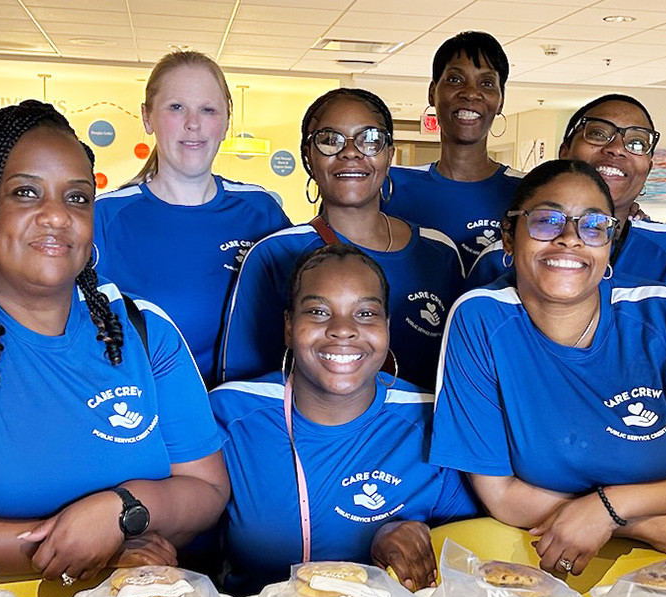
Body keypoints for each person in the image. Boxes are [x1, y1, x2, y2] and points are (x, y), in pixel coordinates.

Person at [0, 101, 230, 582]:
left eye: (77, 198)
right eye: (26, 193)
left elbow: (207, 489)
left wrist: (122, 511)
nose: (56, 216)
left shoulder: (142, 329)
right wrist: (88, 549)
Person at [431, 160, 666, 574]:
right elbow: (501, 494)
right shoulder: (479, 320)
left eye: (593, 226)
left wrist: (610, 509)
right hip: (591, 543)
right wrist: (636, 524)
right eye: (546, 221)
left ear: (609, 245)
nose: (569, 239)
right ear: (509, 237)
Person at [211, 244, 478, 595]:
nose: (342, 329)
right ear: (289, 326)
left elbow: (470, 556)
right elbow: (186, 548)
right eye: (318, 312)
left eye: (365, 313)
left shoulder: (435, 420)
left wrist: (413, 536)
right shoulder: (230, 416)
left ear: (387, 326)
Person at [220, 88, 462, 389]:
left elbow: (461, 373)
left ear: (389, 155)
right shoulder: (274, 253)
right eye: (329, 140)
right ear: (308, 156)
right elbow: (245, 384)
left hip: (423, 420)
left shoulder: (439, 252)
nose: (350, 152)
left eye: (369, 139)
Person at [94, 50, 291, 387]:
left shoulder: (262, 213)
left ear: (226, 121)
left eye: (208, 109)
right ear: (147, 118)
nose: (193, 123)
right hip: (151, 414)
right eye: (176, 107)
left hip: (249, 414)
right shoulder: (105, 219)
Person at [470, 94, 666, 339]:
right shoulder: (502, 257)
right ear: (564, 153)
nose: (617, 148)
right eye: (597, 133)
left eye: (637, 143)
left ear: (648, 169)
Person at [382, 31, 522, 275]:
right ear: (432, 92)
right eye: (455, 79)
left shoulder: (527, 192)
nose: (470, 93)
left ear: (501, 101)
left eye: (487, 83)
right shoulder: (390, 189)